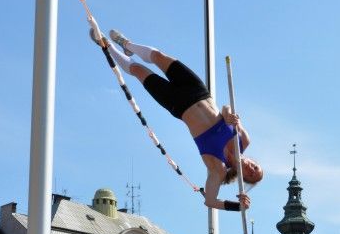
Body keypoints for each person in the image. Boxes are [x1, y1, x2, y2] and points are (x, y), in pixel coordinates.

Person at [90, 27, 263, 211]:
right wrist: (228, 115)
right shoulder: (243, 139)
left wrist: (237, 207)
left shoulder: (218, 169)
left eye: (252, 174)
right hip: (198, 91)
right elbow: (228, 108)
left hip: (177, 105)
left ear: (245, 179)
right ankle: (127, 44)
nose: (252, 168)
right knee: (158, 56)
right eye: (256, 167)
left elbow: (210, 201)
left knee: (138, 70)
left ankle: (106, 46)